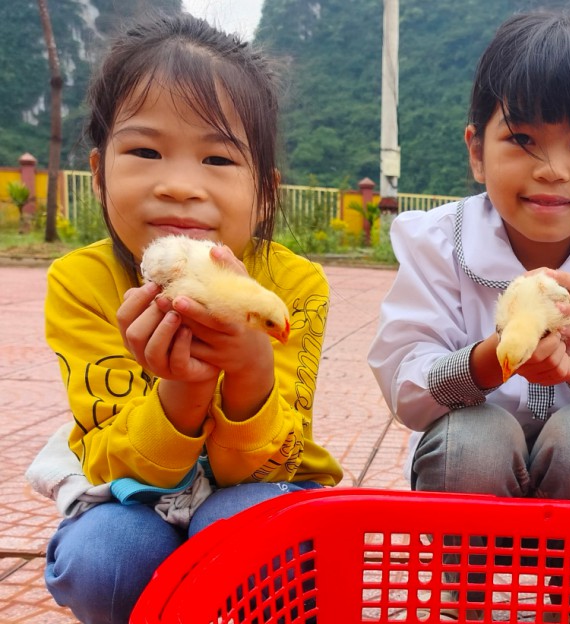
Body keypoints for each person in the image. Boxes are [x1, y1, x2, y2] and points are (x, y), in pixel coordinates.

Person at [368, 10, 570, 622]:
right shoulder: (438, 242)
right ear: (476, 151)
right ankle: (472, 602)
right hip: (467, 463)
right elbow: (406, 385)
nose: (553, 169)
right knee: (475, 435)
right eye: (523, 140)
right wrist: (493, 359)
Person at [35, 14, 343, 623]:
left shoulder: (291, 288)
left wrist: (250, 367)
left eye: (219, 160)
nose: (179, 186)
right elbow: (113, 460)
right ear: (99, 175)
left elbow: (266, 462)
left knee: (252, 545)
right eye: (145, 151)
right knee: (106, 561)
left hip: (256, 483)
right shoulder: (81, 284)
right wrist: (184, 386)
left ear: (264, 192)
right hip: (131, 491)